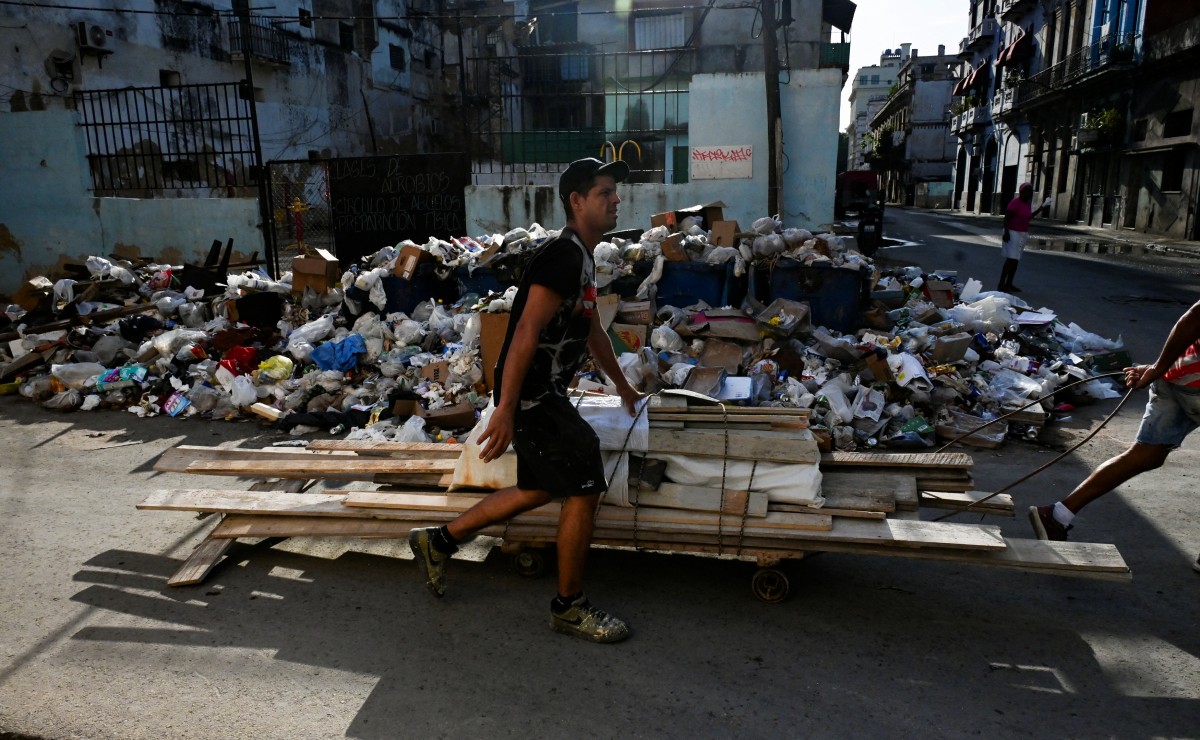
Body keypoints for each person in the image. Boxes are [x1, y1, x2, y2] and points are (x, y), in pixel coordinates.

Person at [408, 157, 646, 642]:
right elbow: (524, 335)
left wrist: (622, 386)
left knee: (540, 488)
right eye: (605, 192)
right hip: (535, 394)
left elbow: (592, 326)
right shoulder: (561, 256)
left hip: (543, 391)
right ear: (577, 201)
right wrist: (507, 409)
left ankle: (437, 541)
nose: (615, 199)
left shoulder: (581, 255)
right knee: (583, 482)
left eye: (614, 192)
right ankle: (569, 606)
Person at [1029, 298, 1200, 574]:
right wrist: (1156, 368)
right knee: (1145, 454)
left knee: (1146, 454)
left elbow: (1193, 319)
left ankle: (1058, 514)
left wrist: (1159, 367)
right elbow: (1194, 317)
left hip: (1179, 374)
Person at [998, 183, 1049, 293]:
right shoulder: (1015, 203)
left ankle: (1009, 283)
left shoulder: (1027, 204)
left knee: (1015, 259)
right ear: (1021, 192)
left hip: (1022, 233)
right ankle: (1001, 284)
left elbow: (1029, 217)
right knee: (1011, 259)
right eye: (1027, 191)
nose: (1029, 193)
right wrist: (1006, 232)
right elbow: (1007, 218)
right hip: (1012, 232)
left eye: (1030, 191)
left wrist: (1042, 207)